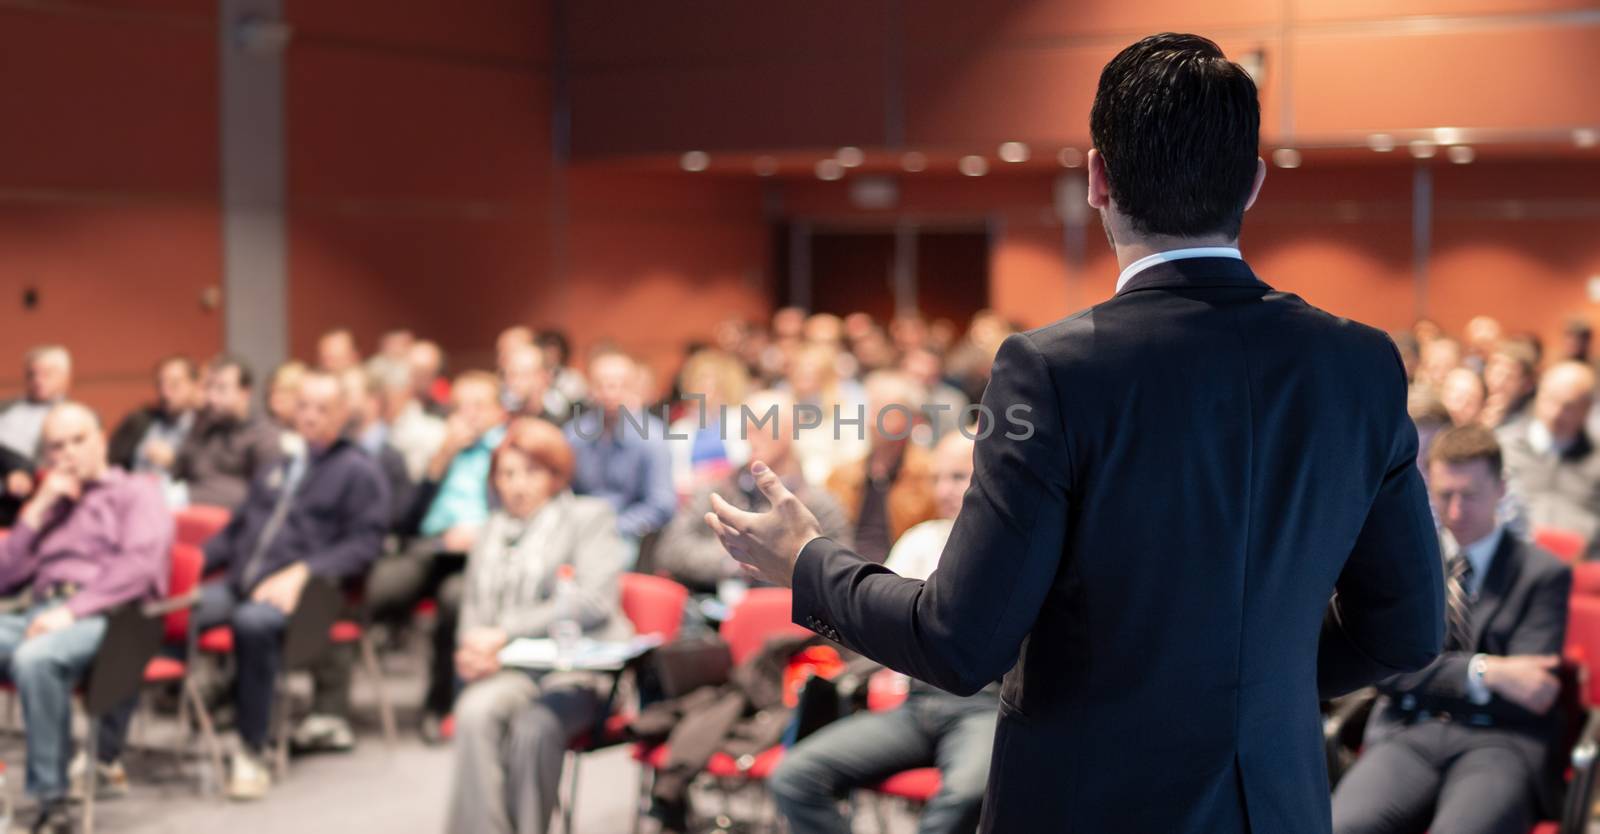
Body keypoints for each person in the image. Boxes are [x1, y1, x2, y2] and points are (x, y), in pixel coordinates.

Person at [706, 34, 1444, 834]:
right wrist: (1251, 683)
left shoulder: (1054, 370)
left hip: (1089, 805)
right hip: (1276, 804)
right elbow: (1405, 630)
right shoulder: (1359, 363)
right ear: (1254, 185)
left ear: (1097, 177)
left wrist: (809, 564)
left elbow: (960, 642)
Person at [1332, 425, 1570, 834]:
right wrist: (1485, 671)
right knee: (1343, 826)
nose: (1456, 511)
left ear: (1501, 488)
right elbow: (1387, 671)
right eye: (1445, 495)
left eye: (1471, 495)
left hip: (1500, 742)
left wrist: (1428, 673)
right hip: (1410, 730)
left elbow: (1533, 692)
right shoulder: (1407, 564)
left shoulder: (1543, 573)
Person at [770, 431, 994, 834]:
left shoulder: (1007, 548)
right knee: (795, 775)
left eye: (959, 477)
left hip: (981, 705)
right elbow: (874, 621)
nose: (944, 490)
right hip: (919, 702)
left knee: (965, 796)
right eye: (937, 478)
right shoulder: (921, 538)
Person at [197, 370, 389, 799]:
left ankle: (252, 749)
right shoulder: (278, 466)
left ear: (343, 414)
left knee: (253, 623)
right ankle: (109, 754)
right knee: (167, 612)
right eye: (303, 406)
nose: (310, 416)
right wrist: (190, 565)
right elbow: (236, 531)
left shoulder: (359, 471)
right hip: (239, 583)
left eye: (323, 408)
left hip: (308, 598)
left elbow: (366, 544)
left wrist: (305, 571)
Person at [444, 418, 632, 834]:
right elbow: (473, 609)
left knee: (534, 729)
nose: (517, 485)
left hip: (579, 669)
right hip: (511, 670)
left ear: (555, 474)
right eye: (507, 474)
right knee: (475, 711)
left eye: (530, 472)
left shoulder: (587, 517)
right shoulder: (491, 529)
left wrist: (506, 631)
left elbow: (593, 601)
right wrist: (471, 651)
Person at [0, 402, 171, 833]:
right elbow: (5, 578)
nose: (67, 454)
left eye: (78, 440)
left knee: (35, 659)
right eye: (56, 446)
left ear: (101, 439)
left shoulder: (136, 492)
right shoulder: (55, 503)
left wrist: (71, 611)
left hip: (109, 617)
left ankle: (51, 799)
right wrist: (36, 510)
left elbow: (139, 567)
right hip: (40, 610)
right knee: (33, 648)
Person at [366, 371, 507, 740]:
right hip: (430, 549)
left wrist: (481, 534)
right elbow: (406, 519)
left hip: (480, 558)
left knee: (454, 601)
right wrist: (440, 459)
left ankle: (439, 705)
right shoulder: (443, 450)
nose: (469, 415)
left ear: (498, 412)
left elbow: (518, 515)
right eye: (461, 407)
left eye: (479, 406)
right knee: (378, 587)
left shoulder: (507, 452)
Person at [655, 389, 849, 594]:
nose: (750, 438)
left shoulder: (819, 504)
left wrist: (770, 560)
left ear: (792, 430)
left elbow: (836, 574)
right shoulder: (717, 490)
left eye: (761, 427)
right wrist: (734, 559)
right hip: (709, 608)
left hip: (784, 615)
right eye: (746, 429)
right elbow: (670, 551)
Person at [564, 350, 675, 559]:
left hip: (627, 534)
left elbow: (661, 504)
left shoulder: (653, 437)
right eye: (601, 384)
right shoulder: (573, 435)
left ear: (634, 388)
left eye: (618, 385)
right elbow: (562, 491)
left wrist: (614, 528)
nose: (609, 392)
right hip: (579, 528)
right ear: (589, 388)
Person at [824, 371, 939, 564]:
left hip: (902, 577)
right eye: (871, 409)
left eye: (885, 412)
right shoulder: (841, 475)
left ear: (913, 421)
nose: (872, 420)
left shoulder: (930, 475)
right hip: (846, 572)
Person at [1499, 361, 1600, 557]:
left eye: (1568, 406)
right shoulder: (1505, 445)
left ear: (1586, 409)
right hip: (1514, 561)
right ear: (1539, 395)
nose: (1557, 413)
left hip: (1580, 566)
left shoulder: (1596, 458)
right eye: (1551, 400)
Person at [171, 355, 281, 510]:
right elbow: (179, 472)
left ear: (245, 393)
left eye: (221, 389)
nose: (212, 397)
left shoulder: (265, 435)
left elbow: (262, 495)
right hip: (189, 513)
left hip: (234, 522)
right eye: (209, 387)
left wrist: (188, 494)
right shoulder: (204, 425)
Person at [0, 346, 74, 524]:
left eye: (46, 374)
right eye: (31, 374)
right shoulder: (6, 408)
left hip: (29, 492)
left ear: (65, 377)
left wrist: (25, 472)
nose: (37, 380)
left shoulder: (74, 416)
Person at [107, 355, 200, 480]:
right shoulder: (140, 420)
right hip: (134, 490)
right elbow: (111, 460)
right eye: (160, 385)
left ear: (194, 385)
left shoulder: (206, 427)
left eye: (174, 385)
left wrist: (174, 462)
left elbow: (211, 476)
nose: (165, 393)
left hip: (182, 495)